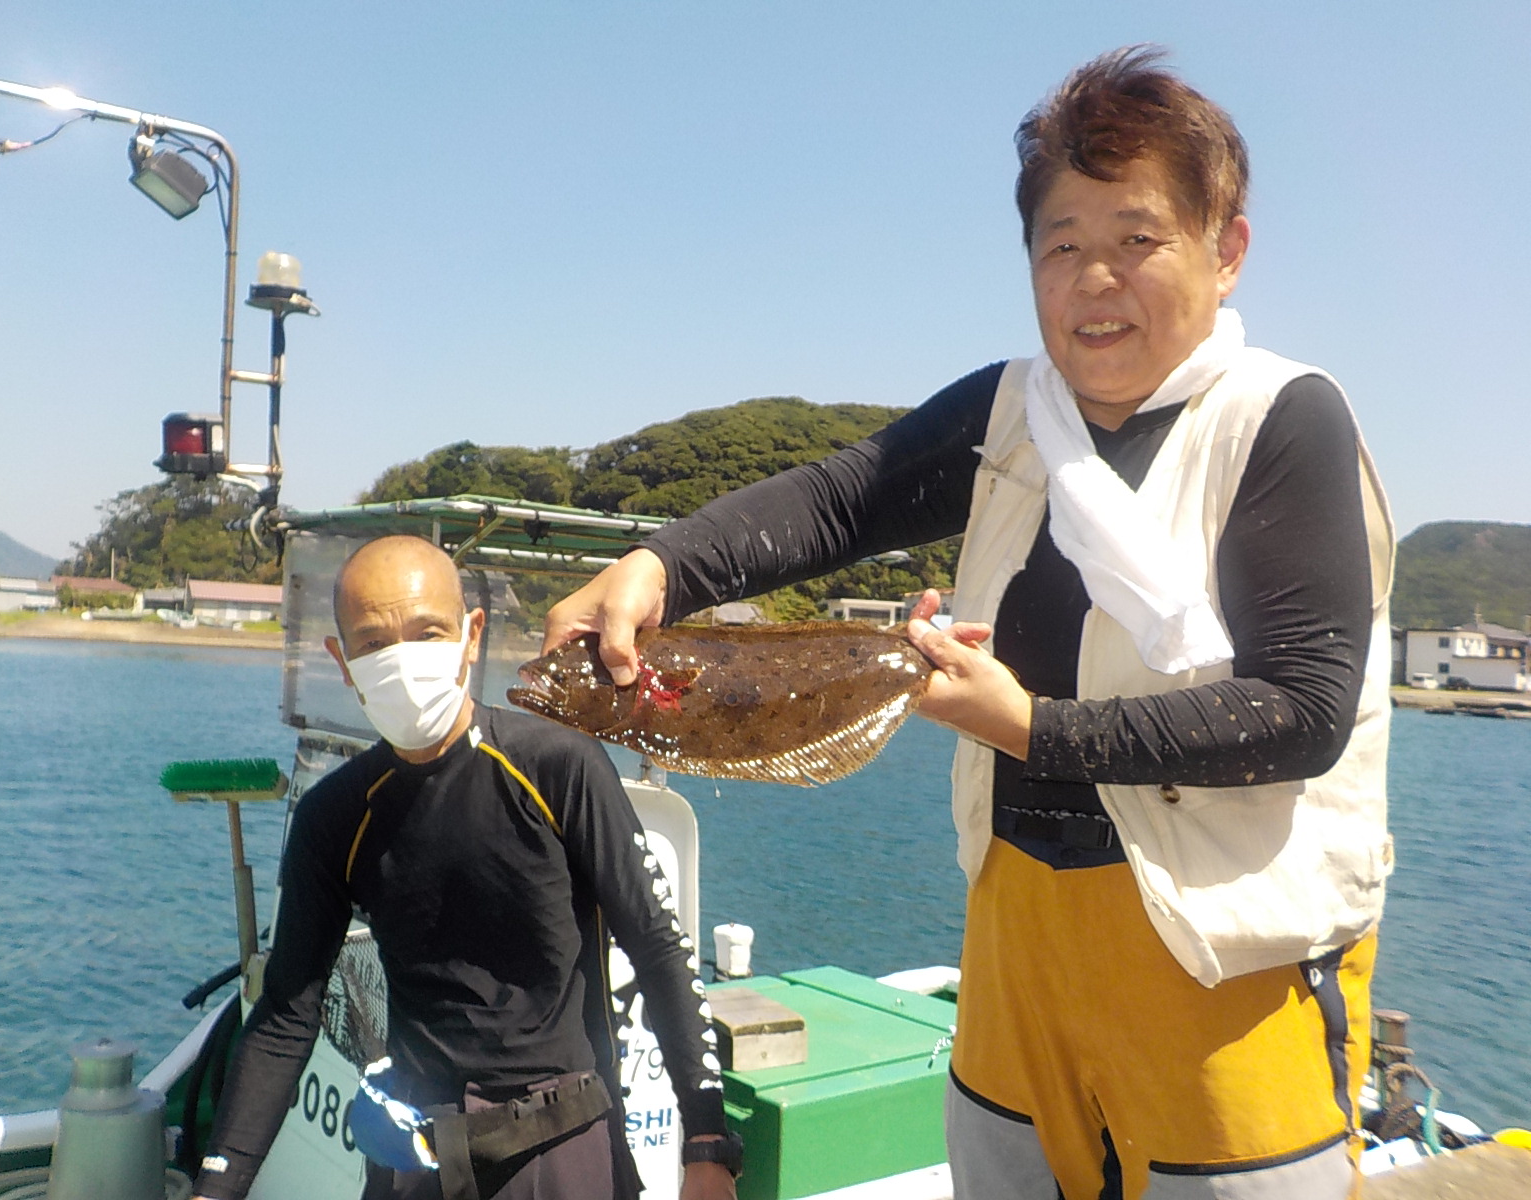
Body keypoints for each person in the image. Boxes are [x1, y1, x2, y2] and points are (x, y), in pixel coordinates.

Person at [543, 47, 1394, 1200]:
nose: (1094, 278)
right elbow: (842, 498)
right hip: (1015, 951)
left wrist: (1032, 728)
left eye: (1136, 238)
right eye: (1061, 245)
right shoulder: (1014, 412)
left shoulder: (1282, 420)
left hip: (1223, 972)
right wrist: (658, 567)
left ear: (1224, 249)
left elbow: (1300, 712)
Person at [194, 535, 739, 1200]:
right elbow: (285, 1014)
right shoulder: (334, 816)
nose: (402, 660)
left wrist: (707, 1146)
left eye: (427, 632)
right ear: (342, 661)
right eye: (372, 643)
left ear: (471, 635)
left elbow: (659, 946)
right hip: (414, 1151)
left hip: (557, 1145)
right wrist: (215, 1184)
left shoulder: (557, 766)